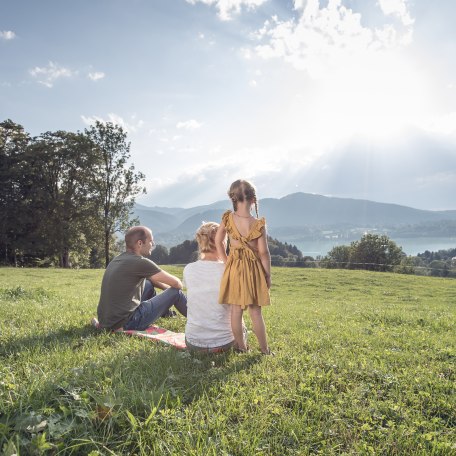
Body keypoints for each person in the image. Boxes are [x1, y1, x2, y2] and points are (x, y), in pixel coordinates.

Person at [215, 179, 272, 355]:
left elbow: (218, 241)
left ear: (233, 198)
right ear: (253, 199)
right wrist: (267, 275)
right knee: (255, 311)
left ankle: (241, 347)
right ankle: (265, 350)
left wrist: (226, 262)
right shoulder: (258, 224)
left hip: (234, 267)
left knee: (236, 310)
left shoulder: (227, 219)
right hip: (254, 269)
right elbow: (263, 253)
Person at [97, 226, 187, 331]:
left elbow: (151, 279)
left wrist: (165, 293)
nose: (152, 245)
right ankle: (199, 319)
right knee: (175, 292)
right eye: (150, 241)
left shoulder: (118, 259)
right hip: (126, 322)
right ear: (140, 243)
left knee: (148, 284)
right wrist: (169, 294)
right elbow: (177, 284)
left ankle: (165, 313)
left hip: (107, 321)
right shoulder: (140, 262)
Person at [183, 222, 237, 352]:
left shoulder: (188, 269)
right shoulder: (228, 270)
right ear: (222, 243)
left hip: (193, 343)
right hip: (225, 343)